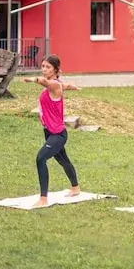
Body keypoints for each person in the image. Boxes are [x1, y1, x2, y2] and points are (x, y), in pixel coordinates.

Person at [22, 55, 81, 208]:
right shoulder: (57, 84)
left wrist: (33, 79)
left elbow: (46, 82)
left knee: (40, 158)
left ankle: (43, 199)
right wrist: (73, 87)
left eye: (48, 67)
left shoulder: (53, 85)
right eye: (43, 66)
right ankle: (75, 188)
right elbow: (64, 85)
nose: (44, 69)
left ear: (55, 69)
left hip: (57, 134)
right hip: (49, 132)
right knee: (63, 160)